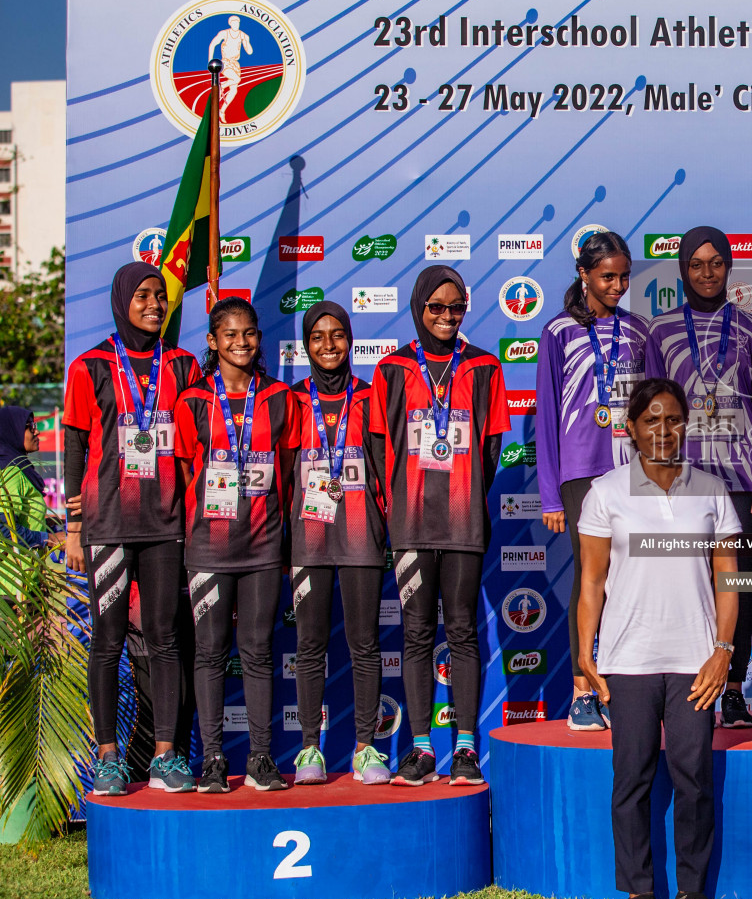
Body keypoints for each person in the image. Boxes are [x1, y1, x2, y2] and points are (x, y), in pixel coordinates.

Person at [575, 378, 741, 899]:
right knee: (633, 777)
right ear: (631, 429)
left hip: (696, 659)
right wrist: (585, 655)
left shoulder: (713, 490)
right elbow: (592, 583)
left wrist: (722, 652)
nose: (663, 430)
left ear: (685, 425)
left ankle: (694, 890)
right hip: (629, 659)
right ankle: (639, 890)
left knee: (693, 775)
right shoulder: (605, 492)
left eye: (673, 419)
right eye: (651, 420)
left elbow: (727, 579)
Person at [63, 263, 202, 797]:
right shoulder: (90, 366)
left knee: (166, 639)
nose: (153, 305)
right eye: (142, 296)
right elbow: (74, 445)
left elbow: (197, 442)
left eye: (160, 297)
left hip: (166, 524)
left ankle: (166, 757)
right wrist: (75, 528)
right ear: (122, 300)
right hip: (108, 525)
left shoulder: (184, 364)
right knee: (109, 640)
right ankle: (109, 760)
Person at [371, 266, 509, 785]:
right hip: (409, 524)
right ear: (418, 308)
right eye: (437, 308)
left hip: (462, 522)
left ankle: (467, 750)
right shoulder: (393, 369)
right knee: (416, 635)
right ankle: (423, 750)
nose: (447, 317)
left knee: (463, 634)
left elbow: (492, 448)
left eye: (456, 308)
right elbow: (380, 446)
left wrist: (466, 495)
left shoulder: (484, 367)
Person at [643, 227, 752, 728]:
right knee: (681, 584)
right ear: (682, 269)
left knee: (732, 585)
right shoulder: (661, 331)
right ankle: (683, 687)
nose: (706, 273)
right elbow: (651, 409)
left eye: (716, 263)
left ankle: (735, 689)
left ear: (728, 268)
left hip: (739, 480)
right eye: (696, 264)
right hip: (684, 479)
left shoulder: (751, 328)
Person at [173, 296, 296, 793]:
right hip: (208, 546)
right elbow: (184, 471)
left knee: (258, 651)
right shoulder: (193, 401)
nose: (241, 342)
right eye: (230, 334)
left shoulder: (279, 398)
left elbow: (287, 471)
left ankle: (262, 759)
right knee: (209, 653)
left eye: (250, 333)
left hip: (264, 544)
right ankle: (214, 761)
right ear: (211, 341)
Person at [535, 231, 650, 732]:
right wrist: (549, 492)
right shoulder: (558, 331)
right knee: (591, 580)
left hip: (631, 470)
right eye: (608, 276)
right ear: (584, 275)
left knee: (633, 581)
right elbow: (543, 416)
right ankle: (582, 691)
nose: (618, 285)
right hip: (581, 473)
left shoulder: (638, 331)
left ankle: (623, 687)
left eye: (624, 276)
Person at [286, 302, 391, 785]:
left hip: (359, 538)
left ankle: (366, 748)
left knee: (364, 644)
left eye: (338, 335)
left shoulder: (371, 397)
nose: (328, 346)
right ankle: (310, 749)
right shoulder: (290, 401)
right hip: (307, 539)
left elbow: (388, 471)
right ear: (306, 345)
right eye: (317, 337)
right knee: (309, 645)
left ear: (350, 340)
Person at [0, 408, 61, 549]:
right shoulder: (10, 473)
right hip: (14, 570)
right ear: (11, 431)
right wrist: (50, 539)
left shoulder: (20, 469)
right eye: (31, 427)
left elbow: (19, 522)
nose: (37, 432)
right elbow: (5, 529)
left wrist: (47, 525)